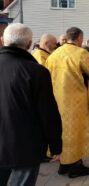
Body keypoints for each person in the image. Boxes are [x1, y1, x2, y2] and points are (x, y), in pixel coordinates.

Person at [0, 24, 62, 186]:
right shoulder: (36, 72)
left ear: (2, 41)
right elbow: (48, 113)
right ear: (29, 44)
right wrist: (56, 146)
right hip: (26, 147)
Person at [45, 27, 89, 178]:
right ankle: (75, 167)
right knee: (77, 133)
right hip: (76, 102)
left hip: (57, 101)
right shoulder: (81, 53)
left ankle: (64, 164)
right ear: (80, 38)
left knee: (62, 132)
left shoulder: (54, 55)